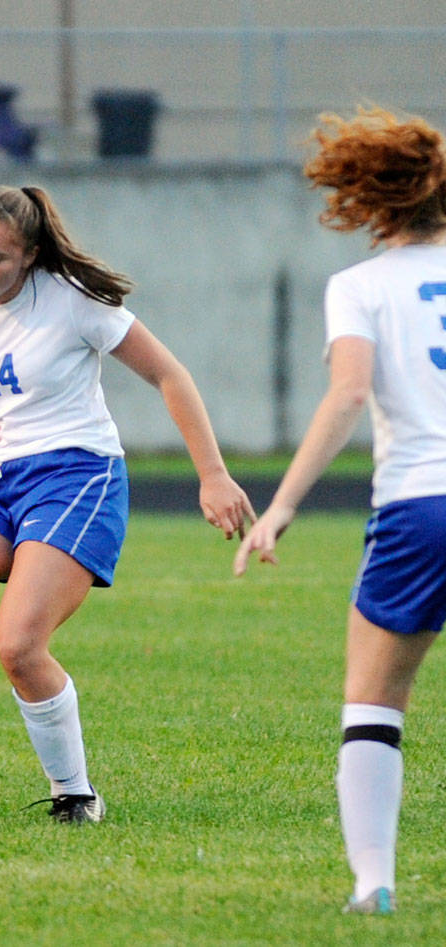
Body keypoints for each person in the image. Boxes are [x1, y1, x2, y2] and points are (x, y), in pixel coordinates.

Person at [0, 185, 255, 822]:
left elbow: (169, 374)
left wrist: (214, 475)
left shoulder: (74, 303)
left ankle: (76, 795)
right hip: (3, 481)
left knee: (18, 645)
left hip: (78, 479)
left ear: (31, 255)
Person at [234, 107, 446, 916]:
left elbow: (350, 392)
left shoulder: (359, 286)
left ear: (361, 196)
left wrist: (281, 506)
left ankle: (374, 883)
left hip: (419, 507)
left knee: (374, 700)